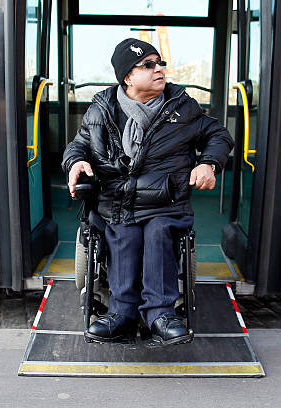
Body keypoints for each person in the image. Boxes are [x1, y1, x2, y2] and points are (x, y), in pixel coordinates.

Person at [62, 38, 234, 346]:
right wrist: (75, 162)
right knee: (124, 233)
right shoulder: (102, 110)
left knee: (157, 231)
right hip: (117, 203)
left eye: (160, 64)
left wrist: (209, 163)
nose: (159, 70)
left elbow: (218, 135)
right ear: (127, 77)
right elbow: (79, 145)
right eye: (148, 65)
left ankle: (160, 315)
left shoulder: (181, 107)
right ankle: (122, 314)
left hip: (166, 204)